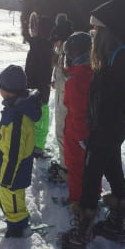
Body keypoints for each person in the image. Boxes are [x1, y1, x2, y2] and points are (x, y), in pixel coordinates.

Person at [62, 0, 125, 249]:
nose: (94, 33)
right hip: (111, 128)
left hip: (105, 129)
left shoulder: (121, 58)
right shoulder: (116, 54)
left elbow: (110, 99)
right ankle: (116, 223)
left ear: (110, 29)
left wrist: (95, 131)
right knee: (113, 170)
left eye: (97, 28)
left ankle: (80, 233)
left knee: (91, 175)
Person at [0, 65, 42, 237]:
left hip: (12, 173)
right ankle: (12, 220)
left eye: (0, 88)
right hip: (4, 168)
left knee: (14, 203)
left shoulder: (17, 117)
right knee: (3, 197)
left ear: (8, 91)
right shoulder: (15, 107)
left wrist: (7, 178)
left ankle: (18, 229)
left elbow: (14, 153)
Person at [62, 32, 93, 206]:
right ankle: (92, 194)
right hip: (90, 128)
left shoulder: (76, 80)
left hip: (77, 131)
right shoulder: (94, 70)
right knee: (89, 167)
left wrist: (81, 137)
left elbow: (77, 110)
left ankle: (77, 201)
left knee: (75, 167)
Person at [48, 13, 74, 182]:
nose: (54, 44)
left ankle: (66, 168)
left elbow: (68, 74)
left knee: (62, 131)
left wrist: (59, 82)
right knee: (66, 131)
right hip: (65, 93)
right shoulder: (71, 44)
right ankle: (69, 164)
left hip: (65, 97)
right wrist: (54, 79)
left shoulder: (66, 48)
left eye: (55, 40)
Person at [25, 12, 53, 158]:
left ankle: (34, 146)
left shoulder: (38, 46)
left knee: (35, 119)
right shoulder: (42, 47)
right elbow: (40, 69)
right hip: (40, 91)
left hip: (35, 89)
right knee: (41, 120)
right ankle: (37, 147)